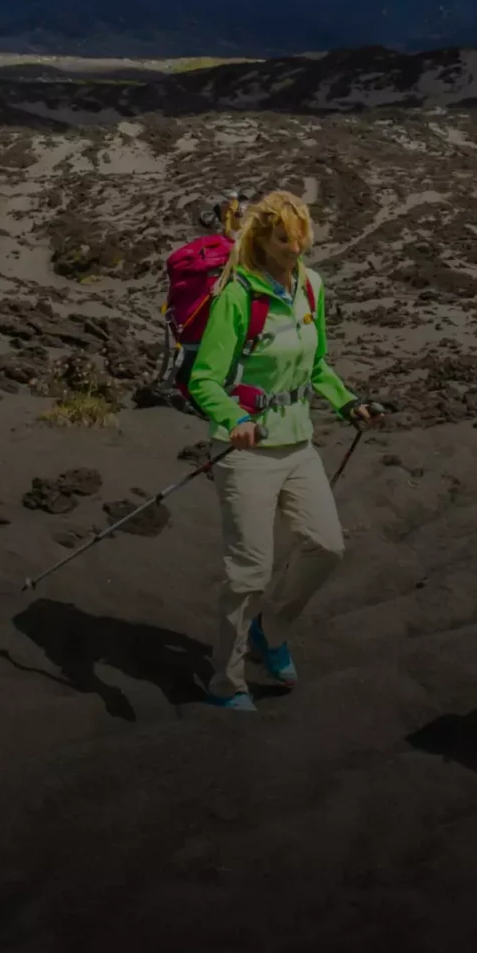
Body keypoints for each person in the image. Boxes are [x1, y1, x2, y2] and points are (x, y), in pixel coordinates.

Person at [182, 190, 378, 712]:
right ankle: (225, 682)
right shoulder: (236, 297)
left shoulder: (313, 287)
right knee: (248, 571)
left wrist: (347, 402)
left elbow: (318, 368)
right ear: (261, 239)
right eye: (284, 241)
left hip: (297, 443)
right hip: (245, 452)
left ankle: (274, 630)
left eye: (302, 240)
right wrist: (234, 418)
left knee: (327, 546)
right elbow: (203, 380)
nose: (296, 250)